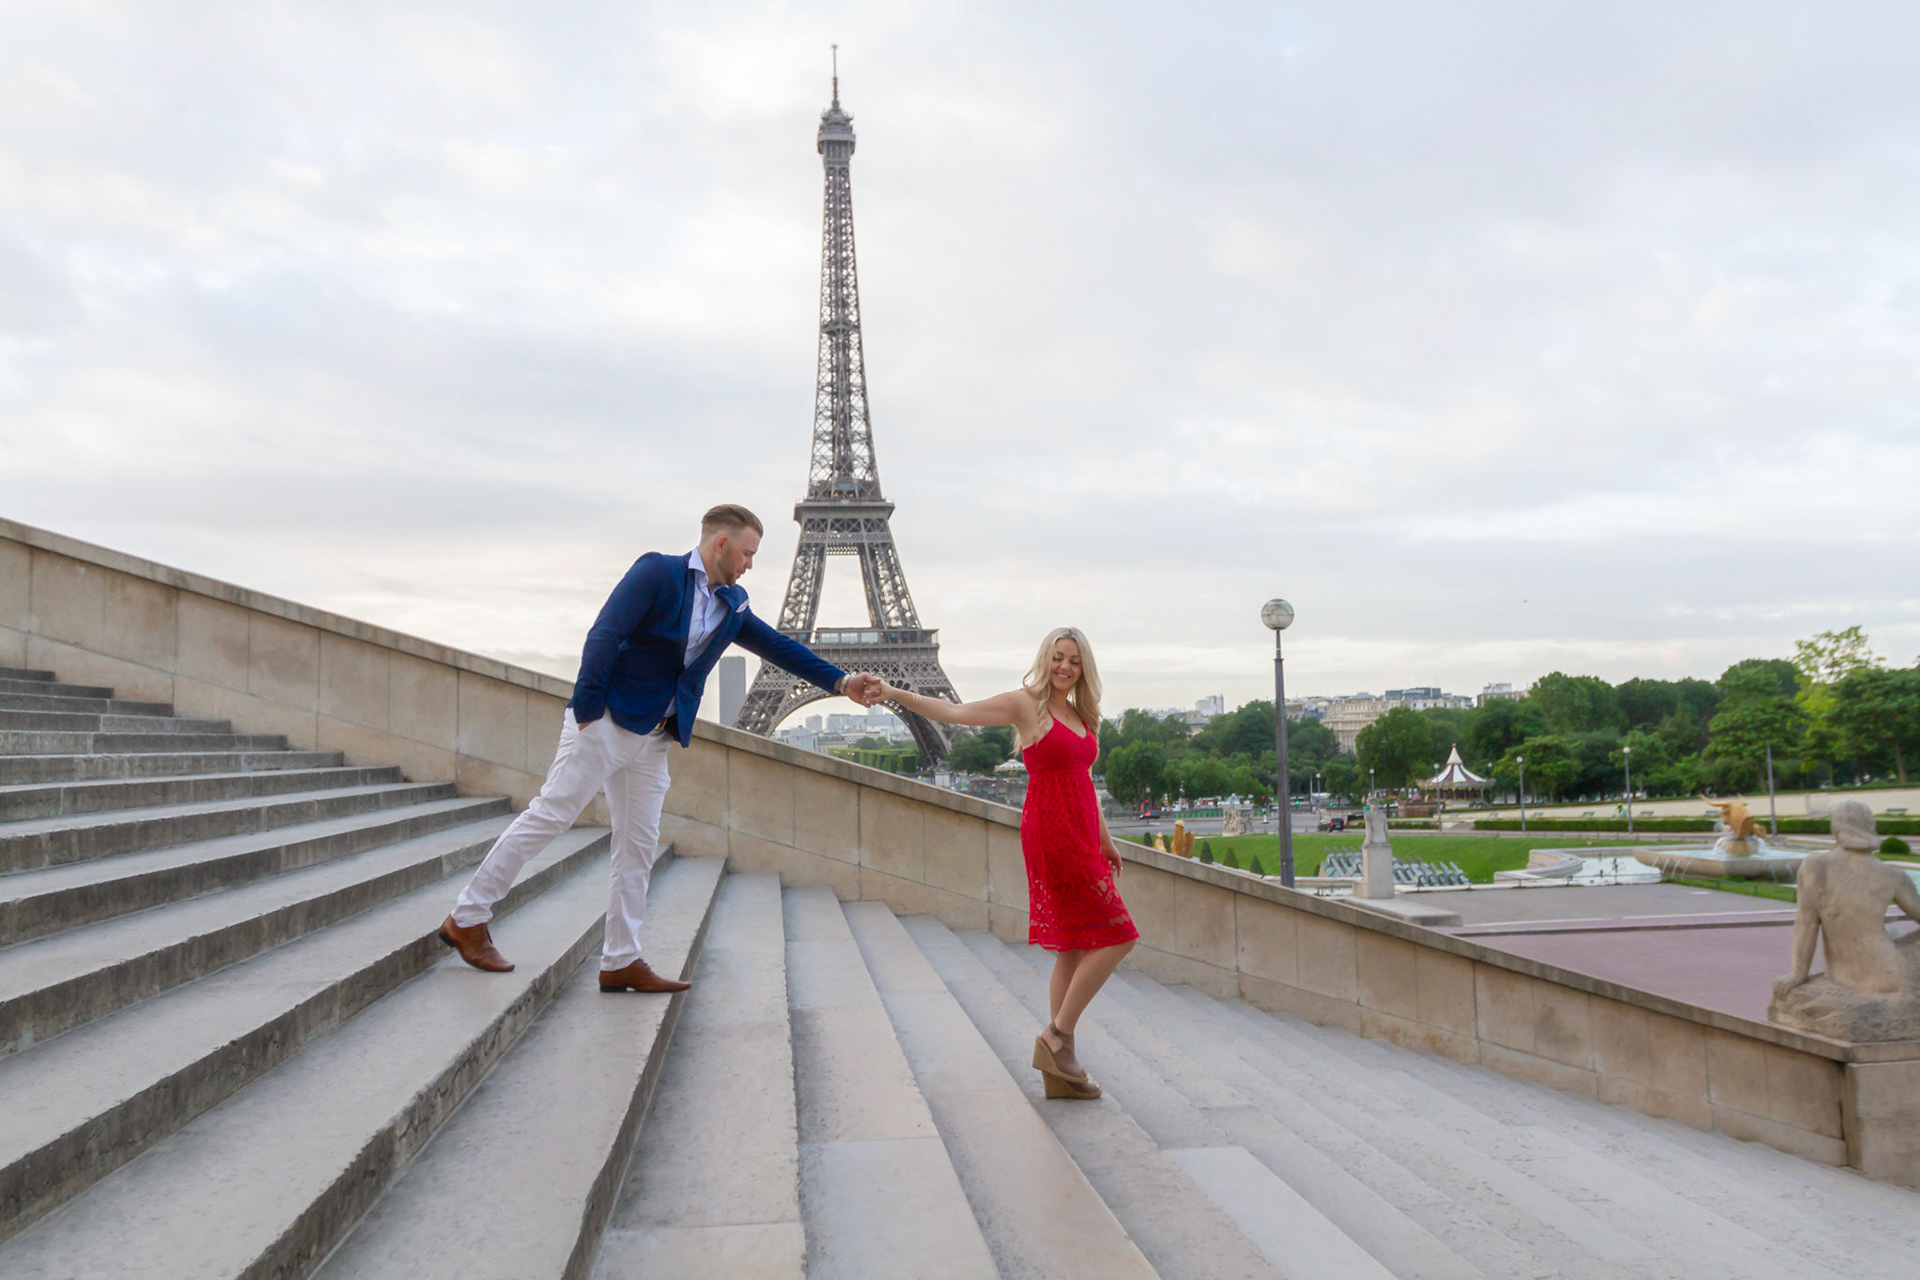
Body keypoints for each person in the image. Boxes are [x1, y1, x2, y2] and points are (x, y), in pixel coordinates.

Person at [439, 504, 882, 991]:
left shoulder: (732, 603)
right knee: (551, 815)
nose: (750, 564)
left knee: (637, 846)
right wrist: (588, 712)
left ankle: (621, 959)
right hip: (606, 723)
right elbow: (606, 633)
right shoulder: (657, 572)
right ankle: (467, 917)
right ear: (720, 545)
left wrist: (841, 681)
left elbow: (776, 645)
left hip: (654, 738)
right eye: (748, 553)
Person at [876, 627, 1136, 1099]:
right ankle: (1056, 1037)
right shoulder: (1025, 704)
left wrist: (1106, 839)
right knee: (1119, 936)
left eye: (1074, 661)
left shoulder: (1082, 714)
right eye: (1057, 657)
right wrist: (894, 692)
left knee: (1074, 947)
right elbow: (955, 711)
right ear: (1045, 658)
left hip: (1082, 833)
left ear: (1084, 668)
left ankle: (1063, 1066)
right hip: (1053, 834)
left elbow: (1085, 780)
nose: (1064, 667)